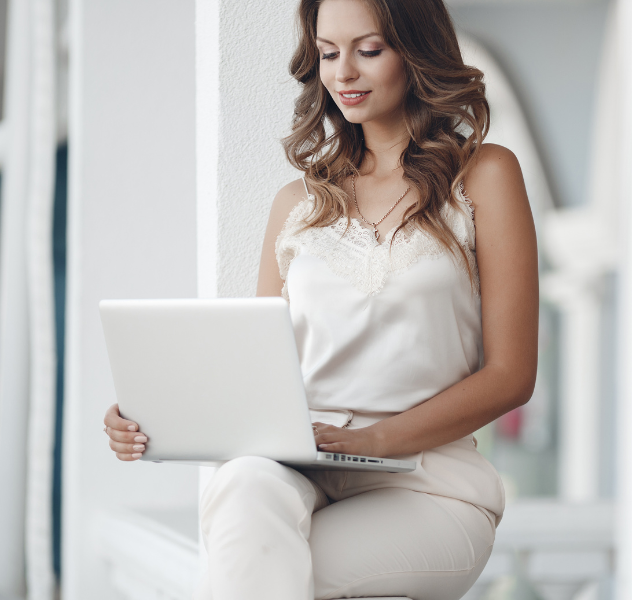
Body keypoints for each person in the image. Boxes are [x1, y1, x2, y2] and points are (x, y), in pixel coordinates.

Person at [101, 0, 538, 598]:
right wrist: (152, 415)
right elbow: (257, 369)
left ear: (416, 50)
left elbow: (511, 375)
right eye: (329, 53)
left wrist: (376, 440)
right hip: (301, 462)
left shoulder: (484, 174)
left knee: (254, 569)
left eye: (369, 50)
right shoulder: (298, 205)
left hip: (429, 484)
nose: (344, 72)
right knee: (243, 485)